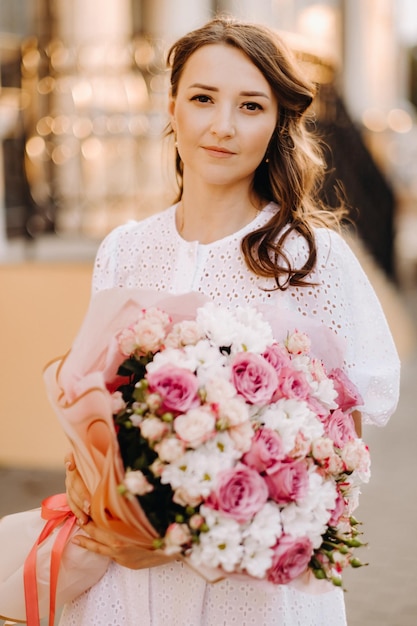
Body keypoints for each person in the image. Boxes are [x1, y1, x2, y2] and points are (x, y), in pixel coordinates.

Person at [60, 16, 400, 626]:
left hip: (254, 587)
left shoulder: (309, 259)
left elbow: (338, 452)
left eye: (250, 106)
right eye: (202, 99)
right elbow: (91, 416)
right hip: (130, 578)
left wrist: (249, 518)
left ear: (277, 124)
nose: (222, 127)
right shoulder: (124, 249)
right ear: (172, 106)